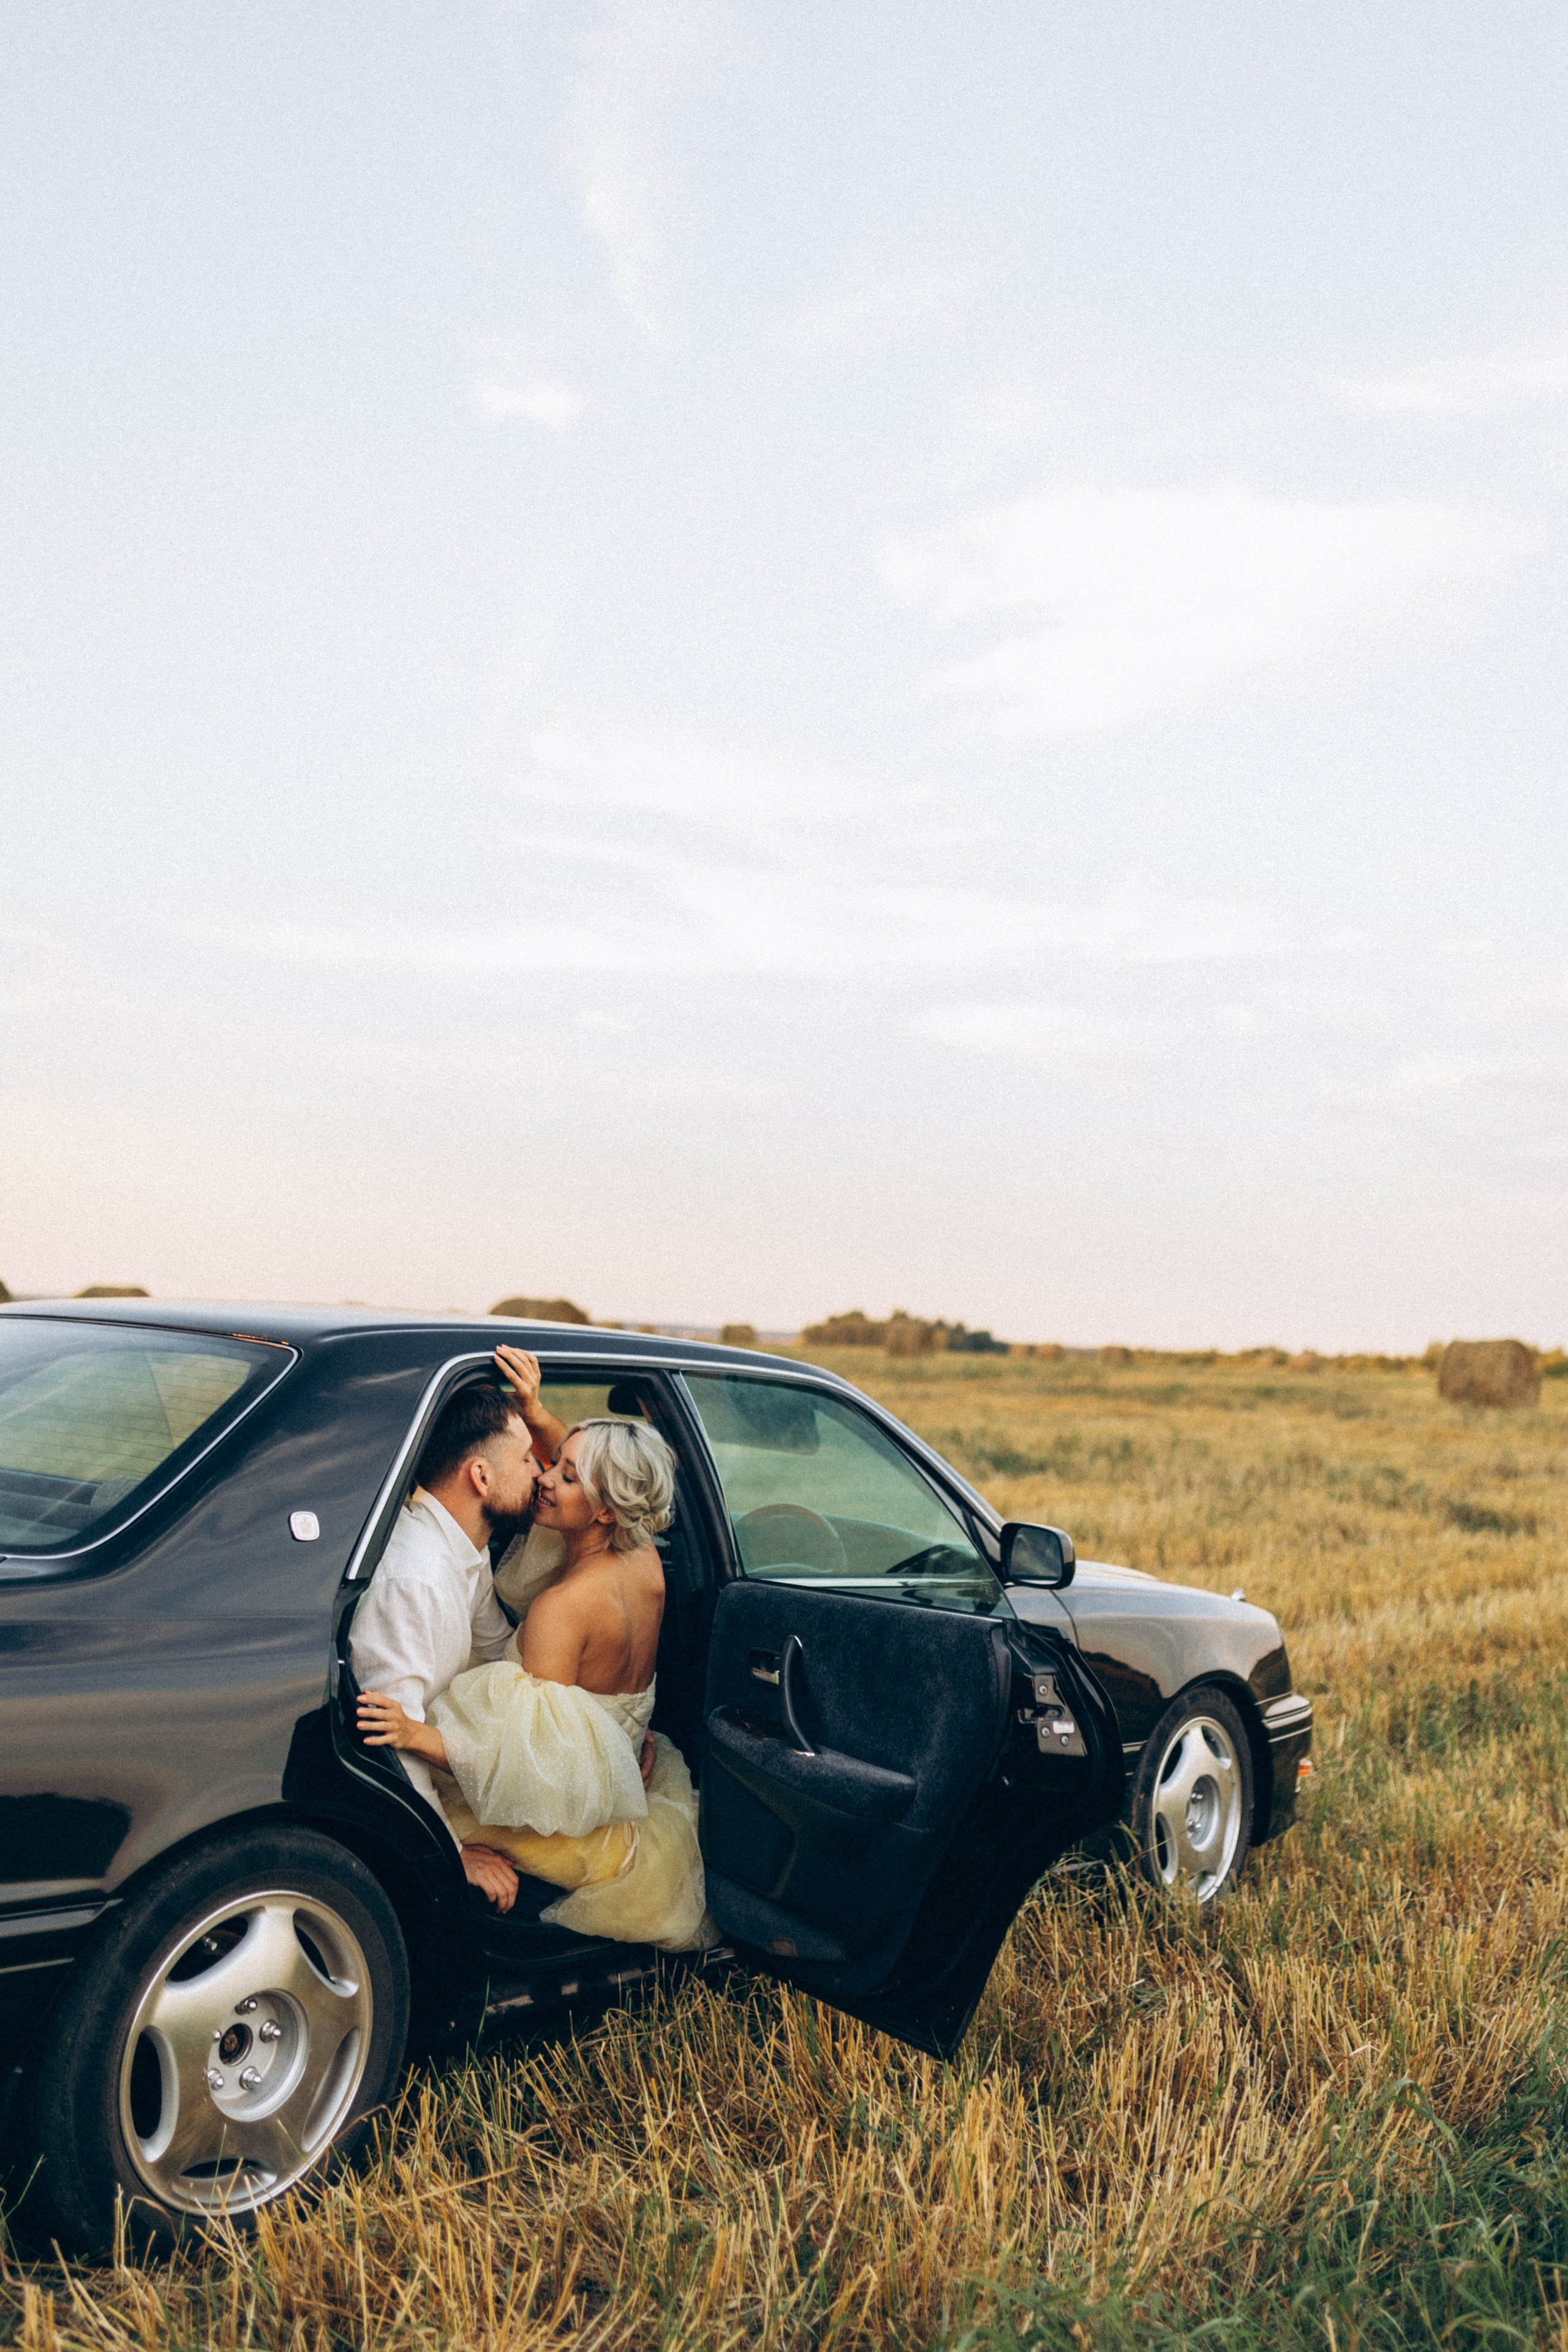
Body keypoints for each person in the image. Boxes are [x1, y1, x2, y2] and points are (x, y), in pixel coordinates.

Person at [356, 1415, 712, 1952]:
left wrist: (414, 1734)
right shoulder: (642, 1560)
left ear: (605, 1509)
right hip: (633, 1775)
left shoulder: (560, 1611)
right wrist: (537, 1411)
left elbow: (533, 1768)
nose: (544, 1476)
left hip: (562, 1812)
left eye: (565, 1474)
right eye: (543, 1460)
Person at [349, 1381, 538, 1913]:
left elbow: (505, 1653)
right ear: (481, 1476)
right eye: (526, 1459)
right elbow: (389, 1741)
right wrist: (452, 1856)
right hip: (411, 1807)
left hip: (449, 1759)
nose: (539, 1473)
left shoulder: (463, 1549)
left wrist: (594, 1735)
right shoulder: (415, 1579)